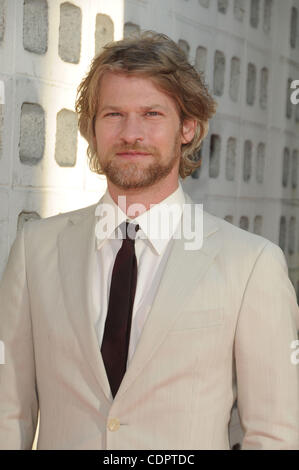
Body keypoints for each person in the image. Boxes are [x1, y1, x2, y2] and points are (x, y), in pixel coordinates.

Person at [0, 31, 298, 450]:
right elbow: (8, 411)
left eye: (152, 114)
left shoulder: (250, 264)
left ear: (188, 128)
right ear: (92, 128)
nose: (131, 133)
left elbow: (273, 435)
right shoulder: (35, 250)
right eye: (113, 115)